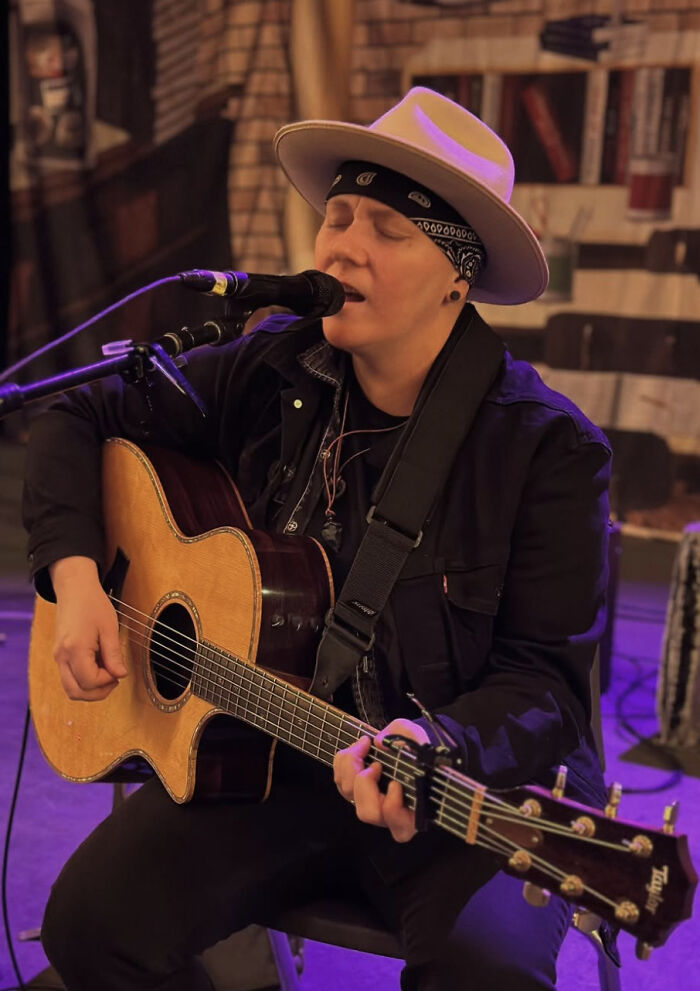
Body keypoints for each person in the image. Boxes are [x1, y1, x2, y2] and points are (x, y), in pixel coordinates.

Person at [23, 87, 612, 990]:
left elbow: (548, 688)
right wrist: (77, 581)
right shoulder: (271, 367)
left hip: (465, 801)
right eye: (336, 214)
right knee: (89, 922)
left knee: (485, 971)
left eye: (384, 226)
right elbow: (73, 411)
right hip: (275, 765)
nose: (340, 243)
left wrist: (437, 744)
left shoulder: (546, 449)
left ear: (458, 273)